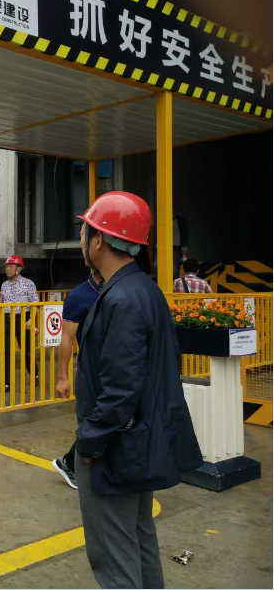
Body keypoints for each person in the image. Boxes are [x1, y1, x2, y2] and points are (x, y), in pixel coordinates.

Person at [74, 191, 202, 589]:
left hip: (115, 447)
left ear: (99, 239)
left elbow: (120, 388)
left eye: (85, 230)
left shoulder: (122, 298)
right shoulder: (143, 290)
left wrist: (89, 442)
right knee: (138, 534)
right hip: (137, 440)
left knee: (113, 552)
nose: (82, 238)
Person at [51, 271, 101, 490]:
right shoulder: (79, 296)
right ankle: (70, 463)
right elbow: (67, 339)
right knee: (91, 424)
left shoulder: (118, 289)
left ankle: (73, 462)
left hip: (115, 370)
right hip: (91, 373)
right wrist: (62, 377)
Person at [0, 255, 38, 392]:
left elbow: (35, 304)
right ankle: (7, 383)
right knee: (7, 352)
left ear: (19, 268)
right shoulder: (4, 285)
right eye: (6, 267)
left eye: (10, 266)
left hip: (23, 318)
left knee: (27, 351)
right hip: (7, 319)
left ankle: (34, 375)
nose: (7, 269)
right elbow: (2, 304)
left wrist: (31, 319)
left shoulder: (28, 283)